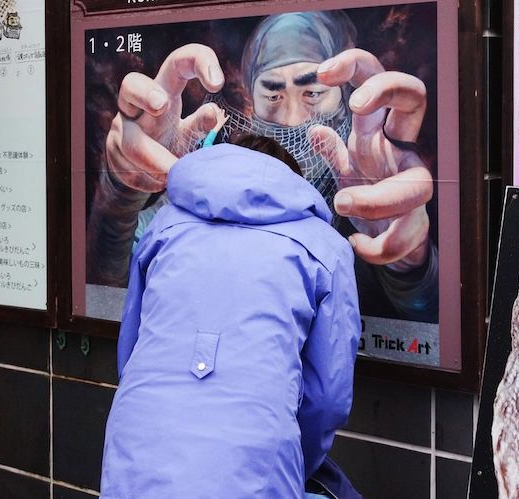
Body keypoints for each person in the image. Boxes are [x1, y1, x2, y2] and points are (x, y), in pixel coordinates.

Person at [88, 9, 439, 323]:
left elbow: (428, 326)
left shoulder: (380, 193)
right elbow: (113, 292)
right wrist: (121, 192)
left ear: (345, 98)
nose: (292, 118)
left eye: (313, 93)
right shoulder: (215, 197)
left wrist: (409, 268)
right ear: (251, 103)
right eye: (272, 95)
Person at [100, 134, 361, 498]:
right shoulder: (325, 247)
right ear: (291, 181)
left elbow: (131, 350)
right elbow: (327, 397)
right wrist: (292, 459)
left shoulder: (165, 226)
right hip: (254, 456)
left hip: (137, 438)